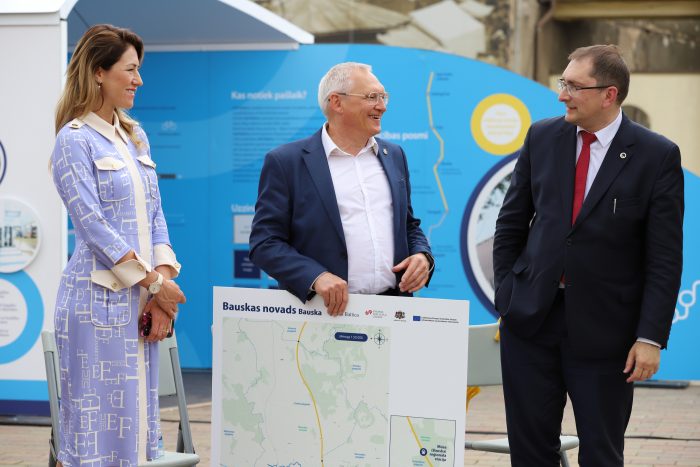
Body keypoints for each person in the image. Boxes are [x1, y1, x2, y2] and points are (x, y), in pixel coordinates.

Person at [492, 44, 684, 466]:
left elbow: (664, 258)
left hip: (607, 334)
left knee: (601, 454)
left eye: (574, 87)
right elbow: (510, 224)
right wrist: (507, 294)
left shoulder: (656, 155)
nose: (563, 95)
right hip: (531, 323)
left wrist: (649, 338)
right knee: (529, 453)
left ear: (609, 94)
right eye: (563, 83)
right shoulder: (542, 137)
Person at [50, 24, 186, 465]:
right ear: (98, 72)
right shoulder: (73, 140)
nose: (138, 80)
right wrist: (154, 285)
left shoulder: (135, 136)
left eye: (138, 70)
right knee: (96, 434)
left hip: (141, 301)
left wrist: (160, 289)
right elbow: (92, 226)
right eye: (129, 70)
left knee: (138, 427)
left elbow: (156, 215)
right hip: (94, 306)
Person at [249, 62, 434, 315]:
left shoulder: (394, 155)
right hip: (324, 314)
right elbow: (265, 243)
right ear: (336, 102)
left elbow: (408, 225)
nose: (382, 106)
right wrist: (315, 276)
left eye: (383, 97)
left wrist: (422, 256)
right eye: (372, 97)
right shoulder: (286, 162)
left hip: (393, 311)